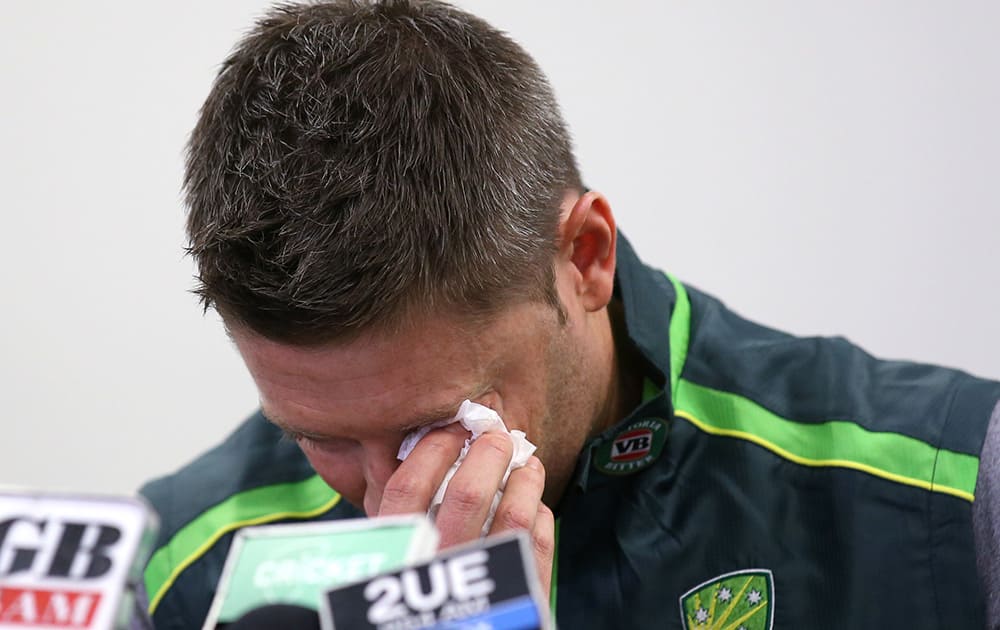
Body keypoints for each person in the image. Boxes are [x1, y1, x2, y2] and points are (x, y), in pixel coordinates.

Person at [139, 1, 1000, 628]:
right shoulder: (176, 571)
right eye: (318, 435)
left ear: (587, 257)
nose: (384, 503)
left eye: (433, 426)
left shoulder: (952, 492)